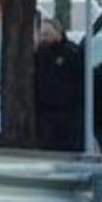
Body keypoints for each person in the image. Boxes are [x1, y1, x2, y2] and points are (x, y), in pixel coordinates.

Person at [35, 17, 85, 151]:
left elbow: (80, 80)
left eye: (47, 34)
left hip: (68, 114)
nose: (44, 38)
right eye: (42, 34)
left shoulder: (71, 52)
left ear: (58, 32)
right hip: (47, 114)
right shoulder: (41, 52)